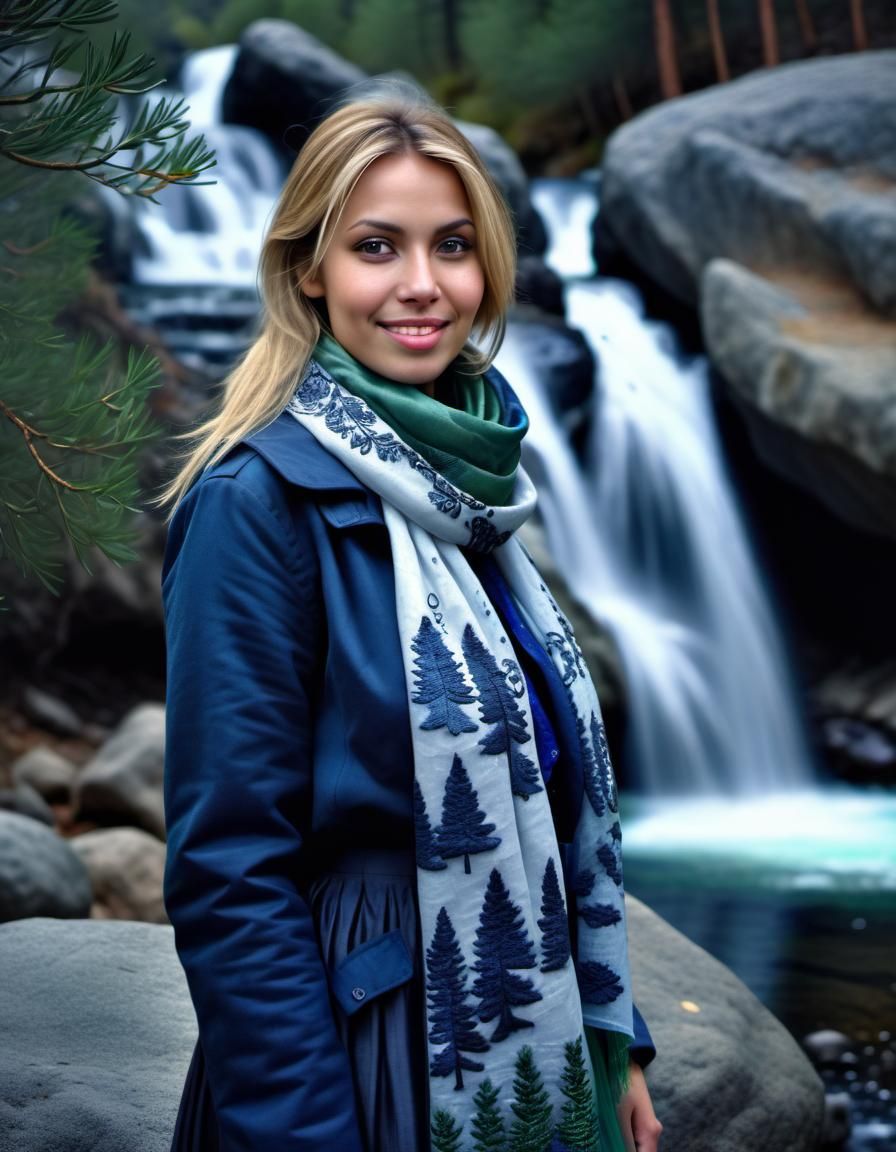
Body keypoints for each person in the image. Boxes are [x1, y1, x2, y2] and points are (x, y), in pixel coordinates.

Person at [158, 92, 663, 1152]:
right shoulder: (253, 504)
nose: (421, 285)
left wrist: (612, 1035)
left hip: (535, 1030)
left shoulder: (471, 489)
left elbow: (549, 797)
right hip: (368, 1056)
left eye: (452, 247)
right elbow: (228, 874)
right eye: (375, 247)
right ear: (309, 269)